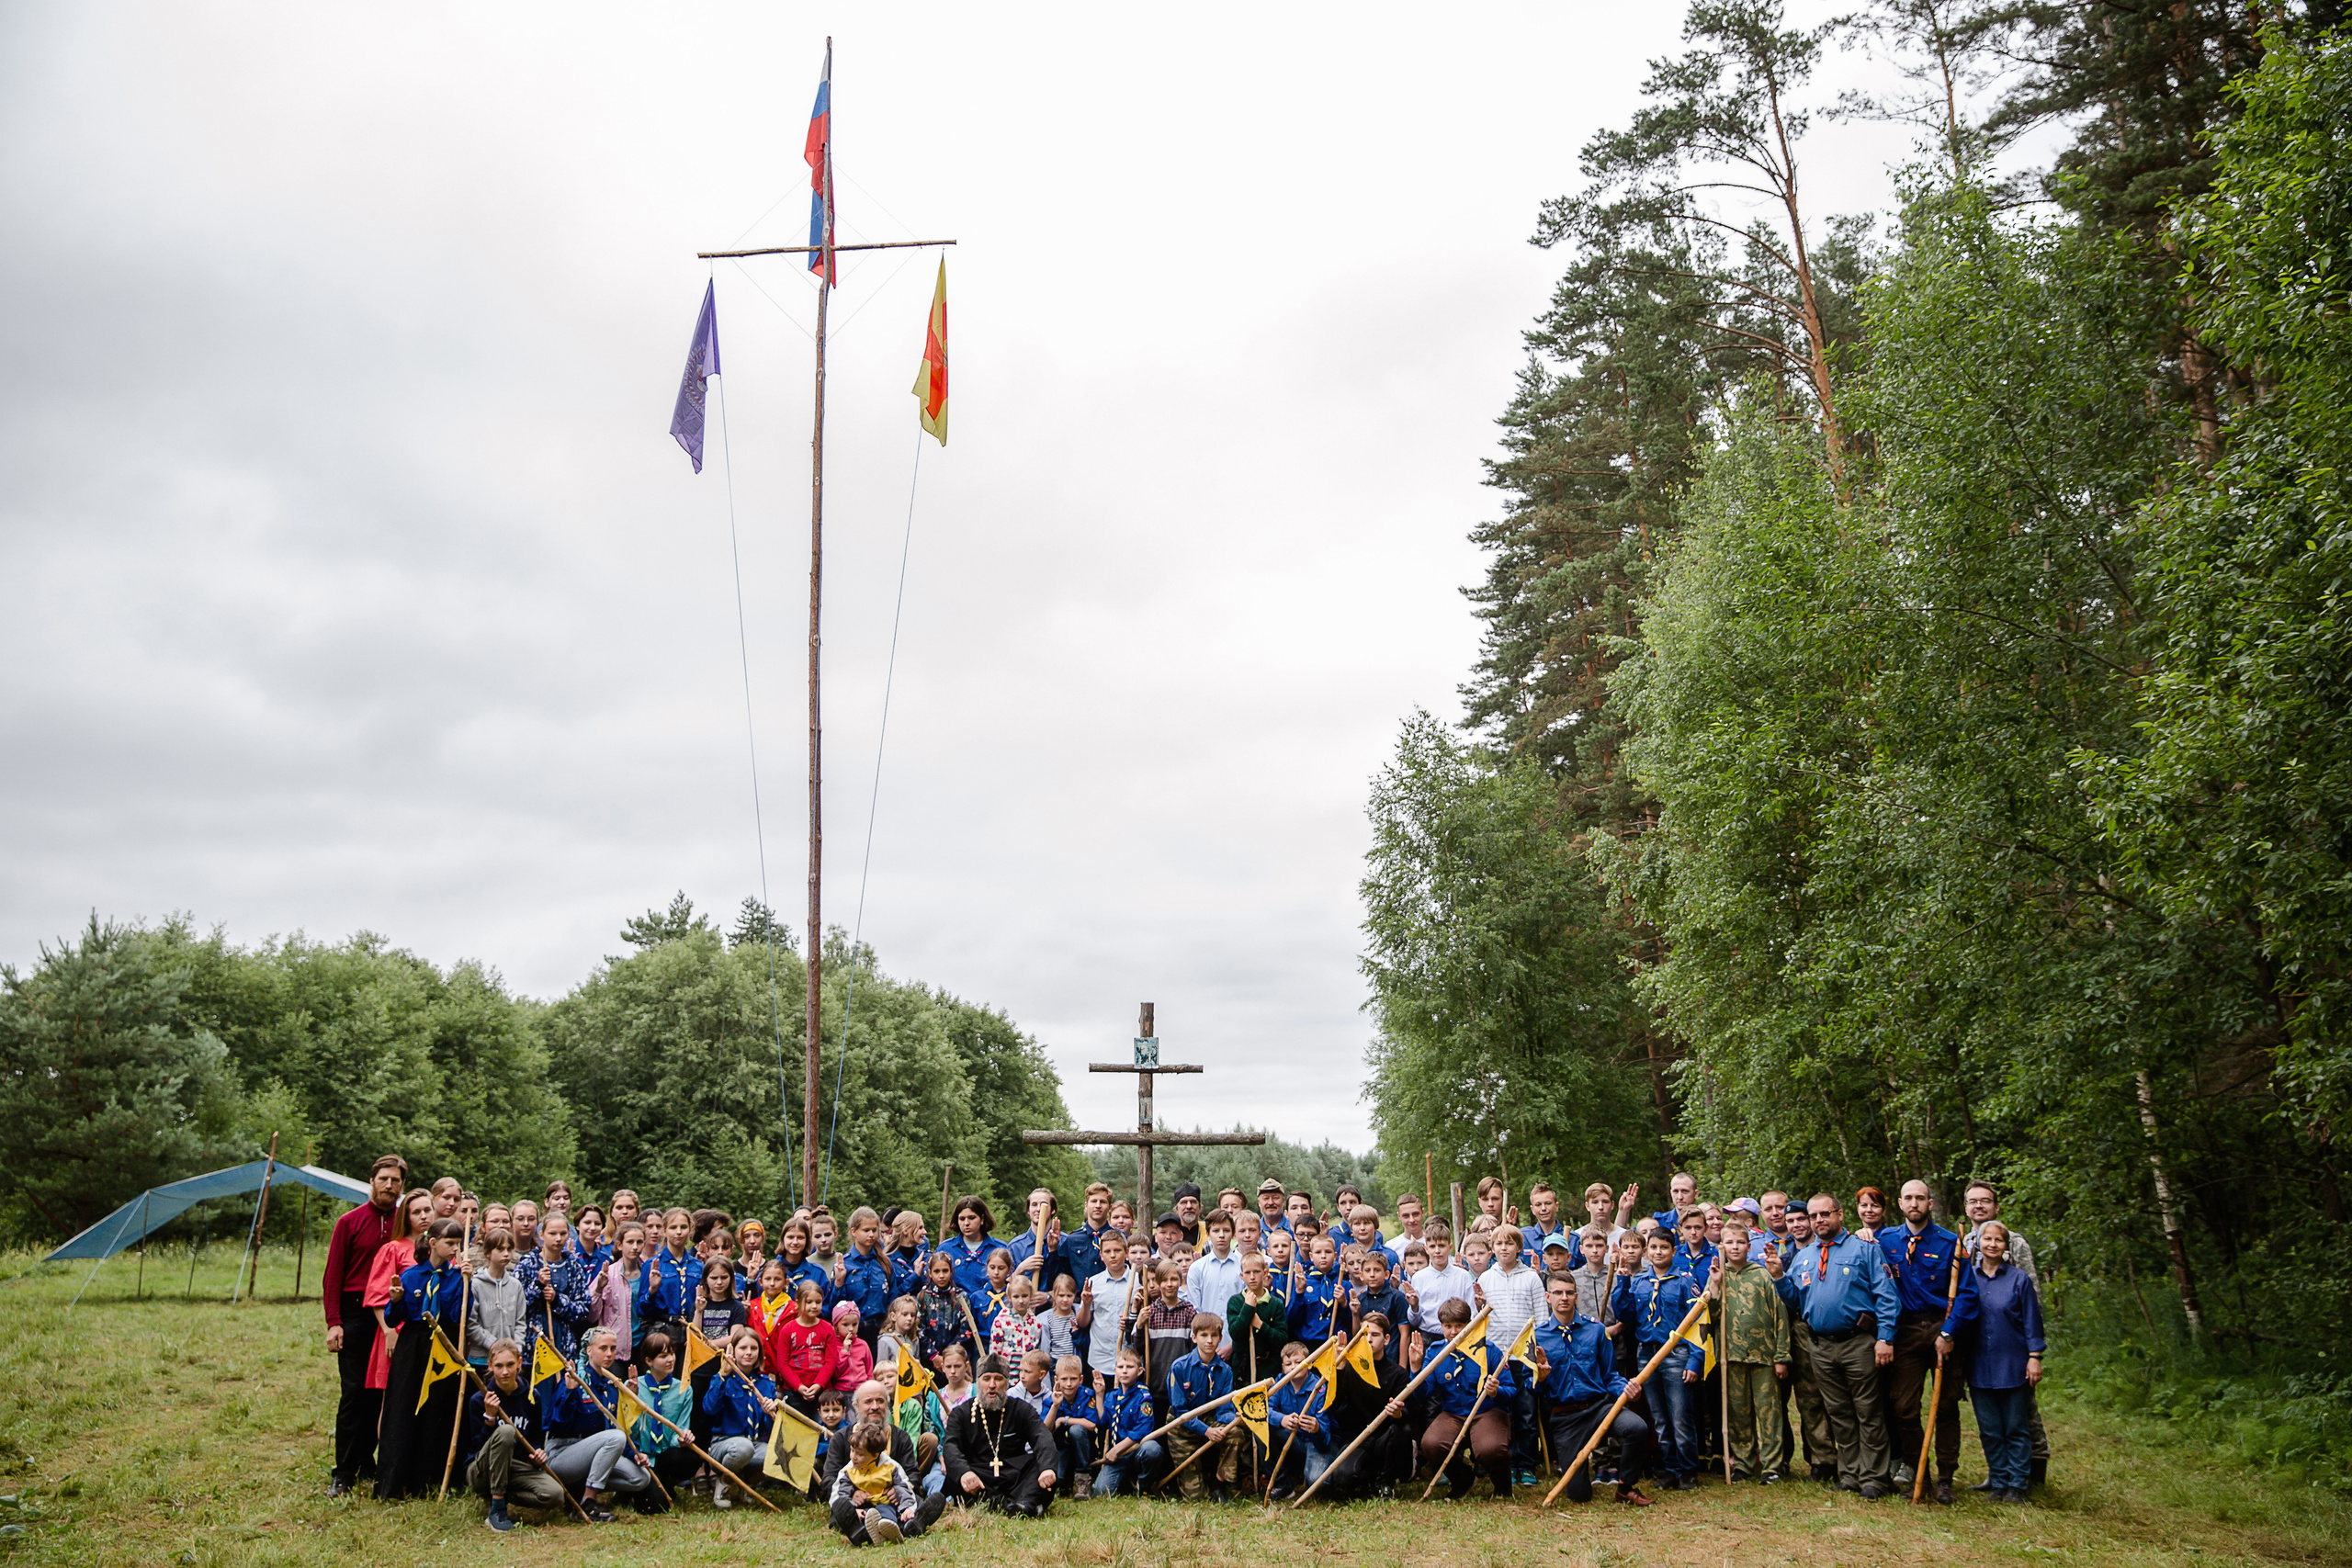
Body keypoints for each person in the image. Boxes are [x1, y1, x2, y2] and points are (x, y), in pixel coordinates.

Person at [1767, 1192, 1899, 1496]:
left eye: (1824, 1214)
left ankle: (1874, 1477)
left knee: (1868, 1411)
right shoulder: (1805, 1256)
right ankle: (1850, 1472)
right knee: (1839, 1413)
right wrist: (1778, 1277)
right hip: (1821, 1346)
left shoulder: (1864, 1249)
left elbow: (1887, 1296)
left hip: (1858, 1343)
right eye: (1813, 1217)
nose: (1818, 1221)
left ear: (1839, 1214)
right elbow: (1797, 1300)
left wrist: (1885, 1337)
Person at [1939, 1220, 2044, 1502]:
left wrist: (2034, 1357)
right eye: (1987, 1240)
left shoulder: (2019, 1280)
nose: (1992, 1245)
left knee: (2015, 1427)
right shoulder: (1967, 1278)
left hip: (2012, 1364)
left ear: (2006, 1246)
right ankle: (1998, 1481)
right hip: (1979, 1365)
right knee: (1990, 1428)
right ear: (1978, 1244)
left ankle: (2018, 1484)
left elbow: (2033, 1323)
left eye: (1998, 1240)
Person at [323, 1155, 408, 1498]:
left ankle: (367, 1461)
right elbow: (333, 1275)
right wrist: (334, 1322)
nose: (389, 1185)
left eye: (396, 1181)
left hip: (392, 1312)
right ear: (371, 1181)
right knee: (354, 1394)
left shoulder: (405, 1224)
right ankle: (343, 1470)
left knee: (381, 1393)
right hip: (356, 1312)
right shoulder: (350, 1221)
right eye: (384, 1179)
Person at [1532, 1268, 1651, 1506]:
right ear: (1548, 1297)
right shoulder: (1537, 1336)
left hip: (1600, 1408)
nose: (1564, 1298)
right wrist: (1541, 1377)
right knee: (1579, 1495)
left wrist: (1626, 1391)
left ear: (1576, 1296)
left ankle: (1625, 1487)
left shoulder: (1596, 1330)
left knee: (1637, 1428)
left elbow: (1610, 1375)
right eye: (1558, 1293)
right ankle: (1581, 1470)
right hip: (1566, 1418)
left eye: (1569, 1293)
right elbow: (1531, 1386)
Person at [1882, 1178, 1968, 1502]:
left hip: (1941, 1328)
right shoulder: (1886, 1241)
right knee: (1904, 1407)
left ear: (1930, 1204)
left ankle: (1946, 1478)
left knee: (1945, 1406)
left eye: (1921, 1198)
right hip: (1905, 1331)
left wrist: (1949, 1332)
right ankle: (1921, 1474)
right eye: (1908, 1198)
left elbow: (1967, 1293)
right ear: (1901, 1204)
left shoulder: (1950, 1243)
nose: (1914, 1203)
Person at [377, 1218, 470, 1499]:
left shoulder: (457, 1278)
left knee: (438, 1409)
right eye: (450, 1243)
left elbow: (457, 1317)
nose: (455, 1249)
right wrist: (395, 1301)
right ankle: (398, 1478)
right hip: (413, 1349)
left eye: (457, 1243)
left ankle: (432, 1478)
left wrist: (467, 1284)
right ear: (432, 1243)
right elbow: (395, 1319)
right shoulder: (410, 1276)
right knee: (405, 1407)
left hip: (443, 1347)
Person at [1963, 1181, 2049, 1487]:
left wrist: (2032, 1349)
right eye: (1973, 1201)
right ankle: (1998, 1476)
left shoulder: (2015, 1243)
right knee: (1990, 1421)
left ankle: (2027, 1473)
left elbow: (2030, 1297)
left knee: (2021, 1415)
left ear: (1996, 1206)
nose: (1979, 1206)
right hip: (1979, 1349)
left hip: (2012, 1344)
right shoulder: (1964, 1242)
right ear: (1965, 1207)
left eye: (1985, 1201)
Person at [1612, 1224, 1702, 1490]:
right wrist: (1622, 1282)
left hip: (1676, 1354)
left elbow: (1697, 1322)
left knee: (1680, 1415)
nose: (1658, 1252)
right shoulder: (1639, 1281)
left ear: (1674, 1251)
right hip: (1646, 1354)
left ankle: (1688, 1470)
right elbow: (1626, 1315)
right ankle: (1670, 1469)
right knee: (1659, 1418)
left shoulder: (1685, 1280)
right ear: (1646, 1251)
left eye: (1664, 1247)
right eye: (1653, 1247)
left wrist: (1695, 1359)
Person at [542, 1326, 655, 1521]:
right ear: (589, 1350)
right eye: (603, 1348)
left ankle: (581, 1489)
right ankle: (588, 1501)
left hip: (595, 1454)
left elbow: (615, 1428)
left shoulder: (610, 1385)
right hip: (563, 1454)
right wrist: (570, 1393)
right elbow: (556, 1423)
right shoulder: (575, 1377)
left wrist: (635, 1454)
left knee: (641, 1478)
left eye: (613, 1348)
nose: (609, 1354)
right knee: (615, 1438)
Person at [1713, 1221, 1790, 1484]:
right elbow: (1710, 1317)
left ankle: (1772, 1465)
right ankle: (1744, 1461)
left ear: (1748, 1245)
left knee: (1768, 1411)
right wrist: (1714, 1287)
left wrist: (1781, 1356)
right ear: (1722, 1246)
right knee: (1738, 1412)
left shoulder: (1761, 1274)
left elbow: (1780, 1316)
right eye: (1730, 1242)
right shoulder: (1718, 1275)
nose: (1735, 1247)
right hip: (1731, 1356)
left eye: (1740, 1242)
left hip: (1763, 1356)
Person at [1417, 1297, 1515, 1498]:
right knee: (1431, 1444)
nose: (1453, 1332)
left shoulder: (1488, 1351)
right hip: (1453, 1414)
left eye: (1459, 1325)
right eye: (1448, 1326)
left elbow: (1512, 1391)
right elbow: (1422, 1394)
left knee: (1490, 1448)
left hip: (1485, 1412)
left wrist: (1496, 1391)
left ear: (1470, 1324)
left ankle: (1503, 1485)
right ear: (1441, 1326)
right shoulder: (1436, 1353)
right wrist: (1415, 1367)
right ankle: (1463, 1480)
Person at [465, 1338, 566, 1530]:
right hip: (482, 1470)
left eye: (510, 1365)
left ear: (519, 1363)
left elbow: (534, 1438)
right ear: (490, 1367)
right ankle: (497, 1509)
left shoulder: (531, 1396)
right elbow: (476, 1447)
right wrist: (489, 1419)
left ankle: (501, 1493)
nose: (505, 1372)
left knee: (554, 1494)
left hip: (514, 1468)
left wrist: (537, 1452)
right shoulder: (480, 1400)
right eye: (499, 1366)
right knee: (506, 1431)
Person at [944, 1355, 1057, 1516]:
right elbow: (950, 1446)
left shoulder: (1021, 1409)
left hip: (1016, 1475)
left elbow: (1042, 1436)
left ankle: (1019, 1504)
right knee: (955, 1478)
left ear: (1007, 1383)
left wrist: (1047, 1469)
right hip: (980, 1477)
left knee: (1040, 1469)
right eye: (986, 1379)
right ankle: (1022, 1505)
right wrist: (964, 1473)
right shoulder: (961, 1413)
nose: (992, 1385)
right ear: (978, 1382)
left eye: (998, 1379)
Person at [1478, 1224, 1546, 1486]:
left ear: (1519, 1248)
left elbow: (1541, 1317)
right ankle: (1499, 1461)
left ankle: (1526, 1463)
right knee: (1497, 1411)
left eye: (1510, 1243)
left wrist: (1539, 1353)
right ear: (1492, 1249)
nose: (1504, 1248)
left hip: (1524, 1357)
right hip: (1497, 1358)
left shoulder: (1531, 1277)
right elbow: (1480, 1320)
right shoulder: (1486, 1278)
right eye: (1499, 1244)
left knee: (1526, 1412)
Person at [1318, 1313, 1411, 1499]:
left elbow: (1410, 1413)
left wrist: (1399, 1413)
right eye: (1364, 1334)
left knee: (1403, 1430)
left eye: (1375, 1335)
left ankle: (1386, 1481)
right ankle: (1368, 1477)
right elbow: (1334, 1406)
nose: (1368, 1339)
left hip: (1385, 1440)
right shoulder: (1349, 1369)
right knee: (1343, 1478)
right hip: (1356, 1438)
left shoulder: (1398, 1374)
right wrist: (1340, 1369)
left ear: (1386, 1339)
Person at [1162, 1312, 1239, 1500]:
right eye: (1204, 1335)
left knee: (1235, 1433)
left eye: (1214, 1336)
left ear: (1221, 1338)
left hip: (1209, 1419)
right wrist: (1205, 1431)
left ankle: (1220, 1482)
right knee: (1195, 1498)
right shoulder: (1179, 1367)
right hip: (1182, 1425)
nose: (1209, 1341)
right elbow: (1180, 1411)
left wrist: (1236, 1419)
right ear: (1194, 1337)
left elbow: (1224, 1410)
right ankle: (1192, 1483)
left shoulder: (1225, 1370)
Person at [704, 1325, 780, 1510]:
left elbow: (770, 1430)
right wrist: (723, 1374)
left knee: (782, 1455)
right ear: (733, 1350)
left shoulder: (765, 1384)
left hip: (754, 1443)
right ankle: (724, 1483)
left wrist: (771, 1413)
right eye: (743, 1348)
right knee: (743, 1448)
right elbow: (709, 1409)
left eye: (753, 1349)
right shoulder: (723, 1378)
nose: (748, 1353)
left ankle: (748, 1484)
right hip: (725, 1445)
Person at [626, 1328, 699, 1506]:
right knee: (653, 1507)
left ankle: (665, 1483)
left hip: (665, 1454)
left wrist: (682, 1439)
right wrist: (632, 1399)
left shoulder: (683, 1389)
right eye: (663, 1356)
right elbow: (628, 1429)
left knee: (691, 1459)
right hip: (641, 1456)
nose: (671, 1359)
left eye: (672, 1354)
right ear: (649, 1361)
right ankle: (627, 1491)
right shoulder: (636, 1387)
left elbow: (680, 1426)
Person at [1263, 1337, 1332, 1500]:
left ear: (1308, 1364)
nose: (1293, 1367)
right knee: (1262, 1428)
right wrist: (1282, 1419)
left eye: (1298, 1362)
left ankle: (1322, 1475)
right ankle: (1282, 1483)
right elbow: (1266, 1410)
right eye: (1289, 1364)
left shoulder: (1320, 1388)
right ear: (1283, 1367)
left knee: (1318, 1483)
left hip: (1315, 1444)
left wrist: (1316, 1428)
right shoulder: (1280, 1383)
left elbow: (1326, 1439)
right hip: (1293, 1441)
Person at [831, 1419, 918, 1544]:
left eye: (859, 1454)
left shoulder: (891, 1467)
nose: (853, 1457)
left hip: (886, 1504)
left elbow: (904, 1487)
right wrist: (851, 1509)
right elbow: (840, 1494)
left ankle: (889, 1530)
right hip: (863, 1507)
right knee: (861, 1517)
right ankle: (869, 1533)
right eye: (852, 1451)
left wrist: (908, 1508)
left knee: (886, 1512)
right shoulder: (848, 1471)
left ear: (875, 1455)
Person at [1095, 1345, 1162, 1495]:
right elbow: (1103, 1422)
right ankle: (1125, 1483)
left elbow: (1142, 1429)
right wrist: (1099, 1395)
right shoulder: (1111, 1396)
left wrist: (1116, 1450)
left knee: (1152, 1449)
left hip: (1136, 1452)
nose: (1124, 1370)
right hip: (1118, 1458)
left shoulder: (1143, 1397)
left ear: (1139, 1371)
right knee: (1100, 1492)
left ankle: (1145, 1485)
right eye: (1120, 1367)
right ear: (1115, 1371)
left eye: (1130, 1367)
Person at [1080, 1229, 1141, 1391]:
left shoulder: (1138, 1282)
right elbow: (1083, 1322)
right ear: (1101, 1255)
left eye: (1117, 1250)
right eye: (1107, 1251)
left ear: (1126, 1252)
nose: (1112, 1255)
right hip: (1099, 1360)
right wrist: (1086, 1304)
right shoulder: (1094, 1283)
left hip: (1128, 1362)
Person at [774, 1278, 843, 1415]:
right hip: (794, 1391)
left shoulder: (827, 1328)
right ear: (798, 1303)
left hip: (822, 1391)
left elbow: (831, 1361)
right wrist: (798, 1386)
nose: (814, 1306)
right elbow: (782, 1364)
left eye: (818, 1302)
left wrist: (818, 1385)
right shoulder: (787, 1329)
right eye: (809, 1302)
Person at [1183, 1209, 1244, 1352]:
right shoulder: (1197, 1268)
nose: (1221, 1235)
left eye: (1226, 1230)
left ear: (1233, 1234)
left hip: (1237, 1345)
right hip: (1205, 1345)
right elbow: (1194, 1309)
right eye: (1216, 1231)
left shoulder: (1243, 1266)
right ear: (1208, 1234)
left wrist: (1232, 1346)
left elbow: (1246, 1309)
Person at [1227, 1251, 1290, 1387]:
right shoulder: (1236, 1302)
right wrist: (1248, 1308)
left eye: (1256, 1272)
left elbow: (1282, 1339)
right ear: (1242, 1276)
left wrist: (1261, 1326)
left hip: (1268, 1368)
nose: (1252, 1277)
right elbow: (1235, 1333)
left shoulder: (1275, 1304)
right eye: (1248, 1273)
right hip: (1243, 1370)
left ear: (1265, 1273)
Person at [465, 1227, 526, 1369]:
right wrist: (493, 1345)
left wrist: (516, 1348)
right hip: (481, 1358)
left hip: (509, 1360)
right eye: (500, 1249)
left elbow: (520, 1322)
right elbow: (471, 1323)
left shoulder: (515, 1285)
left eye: (509, 1249)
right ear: (487, 1253)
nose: (506, 1254)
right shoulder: (475, 1284)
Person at [1044, 1354, 1102, 1498]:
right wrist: (1055, 1407)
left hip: (1084, 1449)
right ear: (1056, 1380)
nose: (1069, 1384)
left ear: (1081, 1379)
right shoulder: (1050, 1398)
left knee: (1076, 1429)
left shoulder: (1087, 1395)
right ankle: (1067, 1479)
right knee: (1060, 1482)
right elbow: (1046, 1429)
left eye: (1073, 1379)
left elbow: (1091, 1424)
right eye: (1064, 1379)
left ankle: (1084, 1478)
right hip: (1061, 1449)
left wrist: (1064, 1420)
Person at [592, 1221, 644, 1368]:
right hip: (615, 1346)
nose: (635, 1247)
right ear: (620, 1245)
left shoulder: (647, 1271)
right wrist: (598, 1290)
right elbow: (591, 1314)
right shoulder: (609, 1273)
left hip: (642, 1344)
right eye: (630, 1242)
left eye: (639, 1242)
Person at [939, 1196, 1010, 1299]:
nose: (966, 1223)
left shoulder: (999, 1248)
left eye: (972, 1218)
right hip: (956, 1308)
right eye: (962, 1219)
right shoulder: (946, 1249)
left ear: (982, 1219)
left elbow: (1010, 1282)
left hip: (990, 1309)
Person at [990, 1274, 1045, 1365]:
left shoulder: (1036, 1323)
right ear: (1009, 1297)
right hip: (1007, 1372)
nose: (1021, 1301)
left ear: (1031, 1296)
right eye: (1016, 1296)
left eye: (1024, 1296)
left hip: (1029, 1373)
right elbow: (995, 1352)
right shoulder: (1001, 1321)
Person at [831, 1300, 876, 1392]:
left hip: (861, 1391)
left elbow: (869, 1372)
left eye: (854, 1324)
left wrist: (871, 1389)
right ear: (836, 1325)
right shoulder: (833, 1344)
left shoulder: (863, 1345)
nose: (851, 1329)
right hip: (840, 1391)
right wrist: (844, 1351)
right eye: (845, 1325)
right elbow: (834, 1373)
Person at [1170, 1183, 1207, 1252]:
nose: (1189, 1206)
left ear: (1199, 1207)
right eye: (1184, 1202)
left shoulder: (1209, 1233)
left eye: (1193, 1202)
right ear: (1177, 1209)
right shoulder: (1168, 1236)